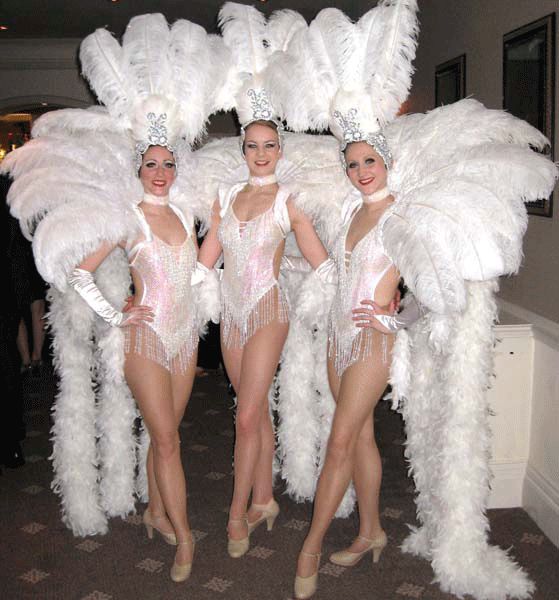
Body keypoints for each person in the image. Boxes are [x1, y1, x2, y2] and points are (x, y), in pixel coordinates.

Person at [198, 116, 332, 557]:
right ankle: (264, 498)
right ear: (242, 150)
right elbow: (204, 264)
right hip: (231, 316)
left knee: (245, 415)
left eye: (269, 145)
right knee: (253, 412)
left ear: (280, 150)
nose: (260, 153)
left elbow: (322, 263)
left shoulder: (288, 201)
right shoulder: (226, 197)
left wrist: (366, 296)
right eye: (252, 145)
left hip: (268, 312)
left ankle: (237, 514)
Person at [69, 143, 197, 582]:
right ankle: (185, 537)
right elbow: (80, 274)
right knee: (166, 442)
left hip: (185, 340)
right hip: (145, 341)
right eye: (151, 165)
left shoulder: (183, 216)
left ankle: (156, 512)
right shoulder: (130, 220)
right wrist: (117, 314)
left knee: (167, 436)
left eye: (167, 164)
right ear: (138, 169)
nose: (160, 173)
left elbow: (192, 273)